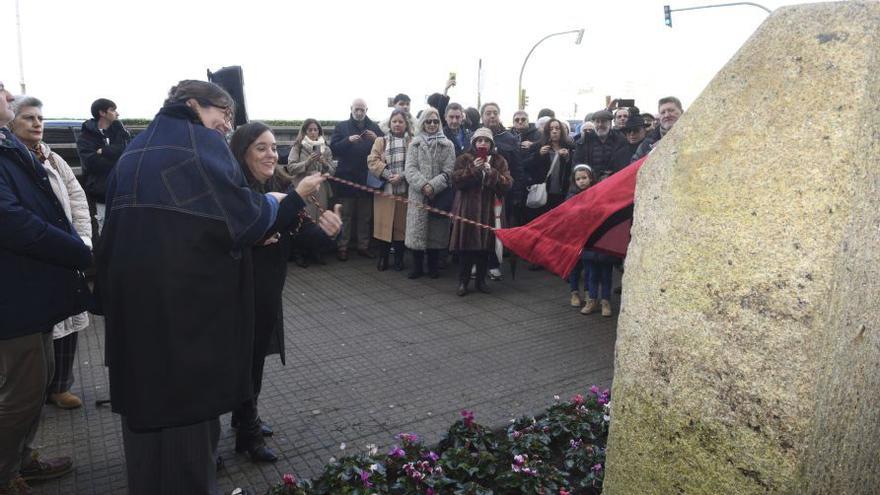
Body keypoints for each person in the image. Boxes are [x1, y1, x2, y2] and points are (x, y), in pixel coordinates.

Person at [95, 80, 324, 495]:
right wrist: (290, 199)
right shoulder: (199, 144)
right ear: (193, 105)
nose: (226, 125)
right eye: (223, 114)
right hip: (184, 323)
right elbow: (246, 220)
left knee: (146, 453)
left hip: (135, 319)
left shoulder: (137, 148)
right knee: (190, 455)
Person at [229, 122, 340, 464]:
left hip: (268, 288)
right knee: (243, 359)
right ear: (242, 151)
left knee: (256, 357)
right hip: (237, 290)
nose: (270, 154)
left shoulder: (278, 183)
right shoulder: (235, 189)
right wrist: (296, 197)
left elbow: (299, 231)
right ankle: (247, 433)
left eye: (274, 147)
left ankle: (244, 418)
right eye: (261, 147)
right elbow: (257, 225)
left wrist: (328, 232)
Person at [1, 80, 91, 495]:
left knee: (39, 382)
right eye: (2, 92)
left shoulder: (10, 148)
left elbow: (61, 203)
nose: (7, 93)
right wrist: (79, 252)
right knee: (21, 393)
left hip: (31, 289)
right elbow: (15, 222)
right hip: (13, 293)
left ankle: (21, 460)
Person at [10, 96, 92, 411]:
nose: (37, 123)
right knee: (44, 329)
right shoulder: (12, 160)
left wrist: (83, 238)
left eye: (40, 118)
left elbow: (77, 197)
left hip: (66, 251)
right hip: (35, 253)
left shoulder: (52, 158)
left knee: (70, 320)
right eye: (29, 118)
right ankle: (33, 395)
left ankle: (60, 387)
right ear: (12, 122)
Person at [449, 128, 512, 296]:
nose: (482, 143)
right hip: (468, 209)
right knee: (466, 249)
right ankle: (463, 282)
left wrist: (491, 172)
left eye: (486, 140)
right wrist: (473, 169)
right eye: (479, 140)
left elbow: (507, 184)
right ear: (473, 143)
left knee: (486, 248)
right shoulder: (464, 159)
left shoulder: (499, 161)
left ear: (491, 143)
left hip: (489, 211)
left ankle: (481, 281)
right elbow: (455, 181)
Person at [404, 108, 456, 279]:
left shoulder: (447, 144)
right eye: (428, 121)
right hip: (418, 195)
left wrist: (433, 186)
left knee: (435, 231)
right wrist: (423, 185)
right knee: (417, 232)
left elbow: (449, 170)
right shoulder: (415, 144)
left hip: (438, 194)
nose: (432, 124)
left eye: (435, 121)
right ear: (423, 123)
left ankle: (433, 267)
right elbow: (410, 169)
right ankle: (417, 267)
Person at [330, 99, 384, 261]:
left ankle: (363, 246)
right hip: (347, 177)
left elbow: (385, 149)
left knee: (365, 216)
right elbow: (333, 148)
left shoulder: (375, 127)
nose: (359, 112)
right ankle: (343, 247)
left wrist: (377, 139)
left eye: (362, 110)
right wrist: (347, 141)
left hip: (367, 178)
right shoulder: (342, 126)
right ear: (351, 109)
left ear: (367, 109)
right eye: (357, 109)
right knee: (345, 215)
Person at [480, 102, 527, 281]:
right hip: (479, 194)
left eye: (495, 113)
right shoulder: (475, 136)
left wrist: (517, 194)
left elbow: (517, 169)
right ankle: (478, 263)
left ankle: (493, 263)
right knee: (479, 227)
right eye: (488, 113)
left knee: (497, 229)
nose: (491, 116)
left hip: (502, 193)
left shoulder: (509, 138)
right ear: (482, 116)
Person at [75, 97, 131, 235]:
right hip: (102, 190)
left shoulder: (119, 131)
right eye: (113, 110)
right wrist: (116, 159)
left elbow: (128, 152)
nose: (117, 113)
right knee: (104, 228)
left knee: (126, 227)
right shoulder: (86, 136)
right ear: (102, 113)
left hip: (124, 189)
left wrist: (104, 151)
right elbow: (92, 163)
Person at [285, 118, 336, 266]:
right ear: (305, 131)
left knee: (319, 220)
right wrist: (307, 162)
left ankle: (316, 251)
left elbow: (332, 171)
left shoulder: (325, 148)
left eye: (316, 130)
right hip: (303, 188)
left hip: (321, 188)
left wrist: (324, 163)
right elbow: (291, 167)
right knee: (303, 221)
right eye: (310, 130)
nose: (313, 133)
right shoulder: (298, 147)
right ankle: (300, 252)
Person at [368, 109, 412, 271]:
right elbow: (372, 160)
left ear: (406, 124)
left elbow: (416, 164)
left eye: (401, 121)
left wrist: (402, 176)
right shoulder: (381, 141)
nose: (397, 124)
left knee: (401, 227)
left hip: (405, 190)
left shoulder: (412, 142)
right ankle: (383, 258)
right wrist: (388, 174)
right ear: (389, 123)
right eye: (394, 121)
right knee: (383, 225)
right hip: (385, 189)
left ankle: (399, 259)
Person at [565, 164, 594, 307]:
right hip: (575, 236)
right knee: (575, 266)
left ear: (590, 178)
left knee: (589, 265)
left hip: (590, 235)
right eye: (578, 179)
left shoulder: (596, 193)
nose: (581, 181)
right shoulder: (571, 195)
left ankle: (589, 293)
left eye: (584, 178)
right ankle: (574, 292)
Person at [573, 109, 627, 181]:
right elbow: (577, 164)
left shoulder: (620, 140)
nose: (600, 125)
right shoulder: (584, 141)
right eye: (597, 122)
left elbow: (623, 164)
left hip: (614, 181)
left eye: (603, 121)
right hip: (590, 183)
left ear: (610, 123)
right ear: (593, 123)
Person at [632, 96, 683, 162]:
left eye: (671, 110)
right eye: (663, 112)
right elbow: (634, 166)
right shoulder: (648, 144)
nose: (667, 115)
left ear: (681, 112)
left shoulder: (695, 135)